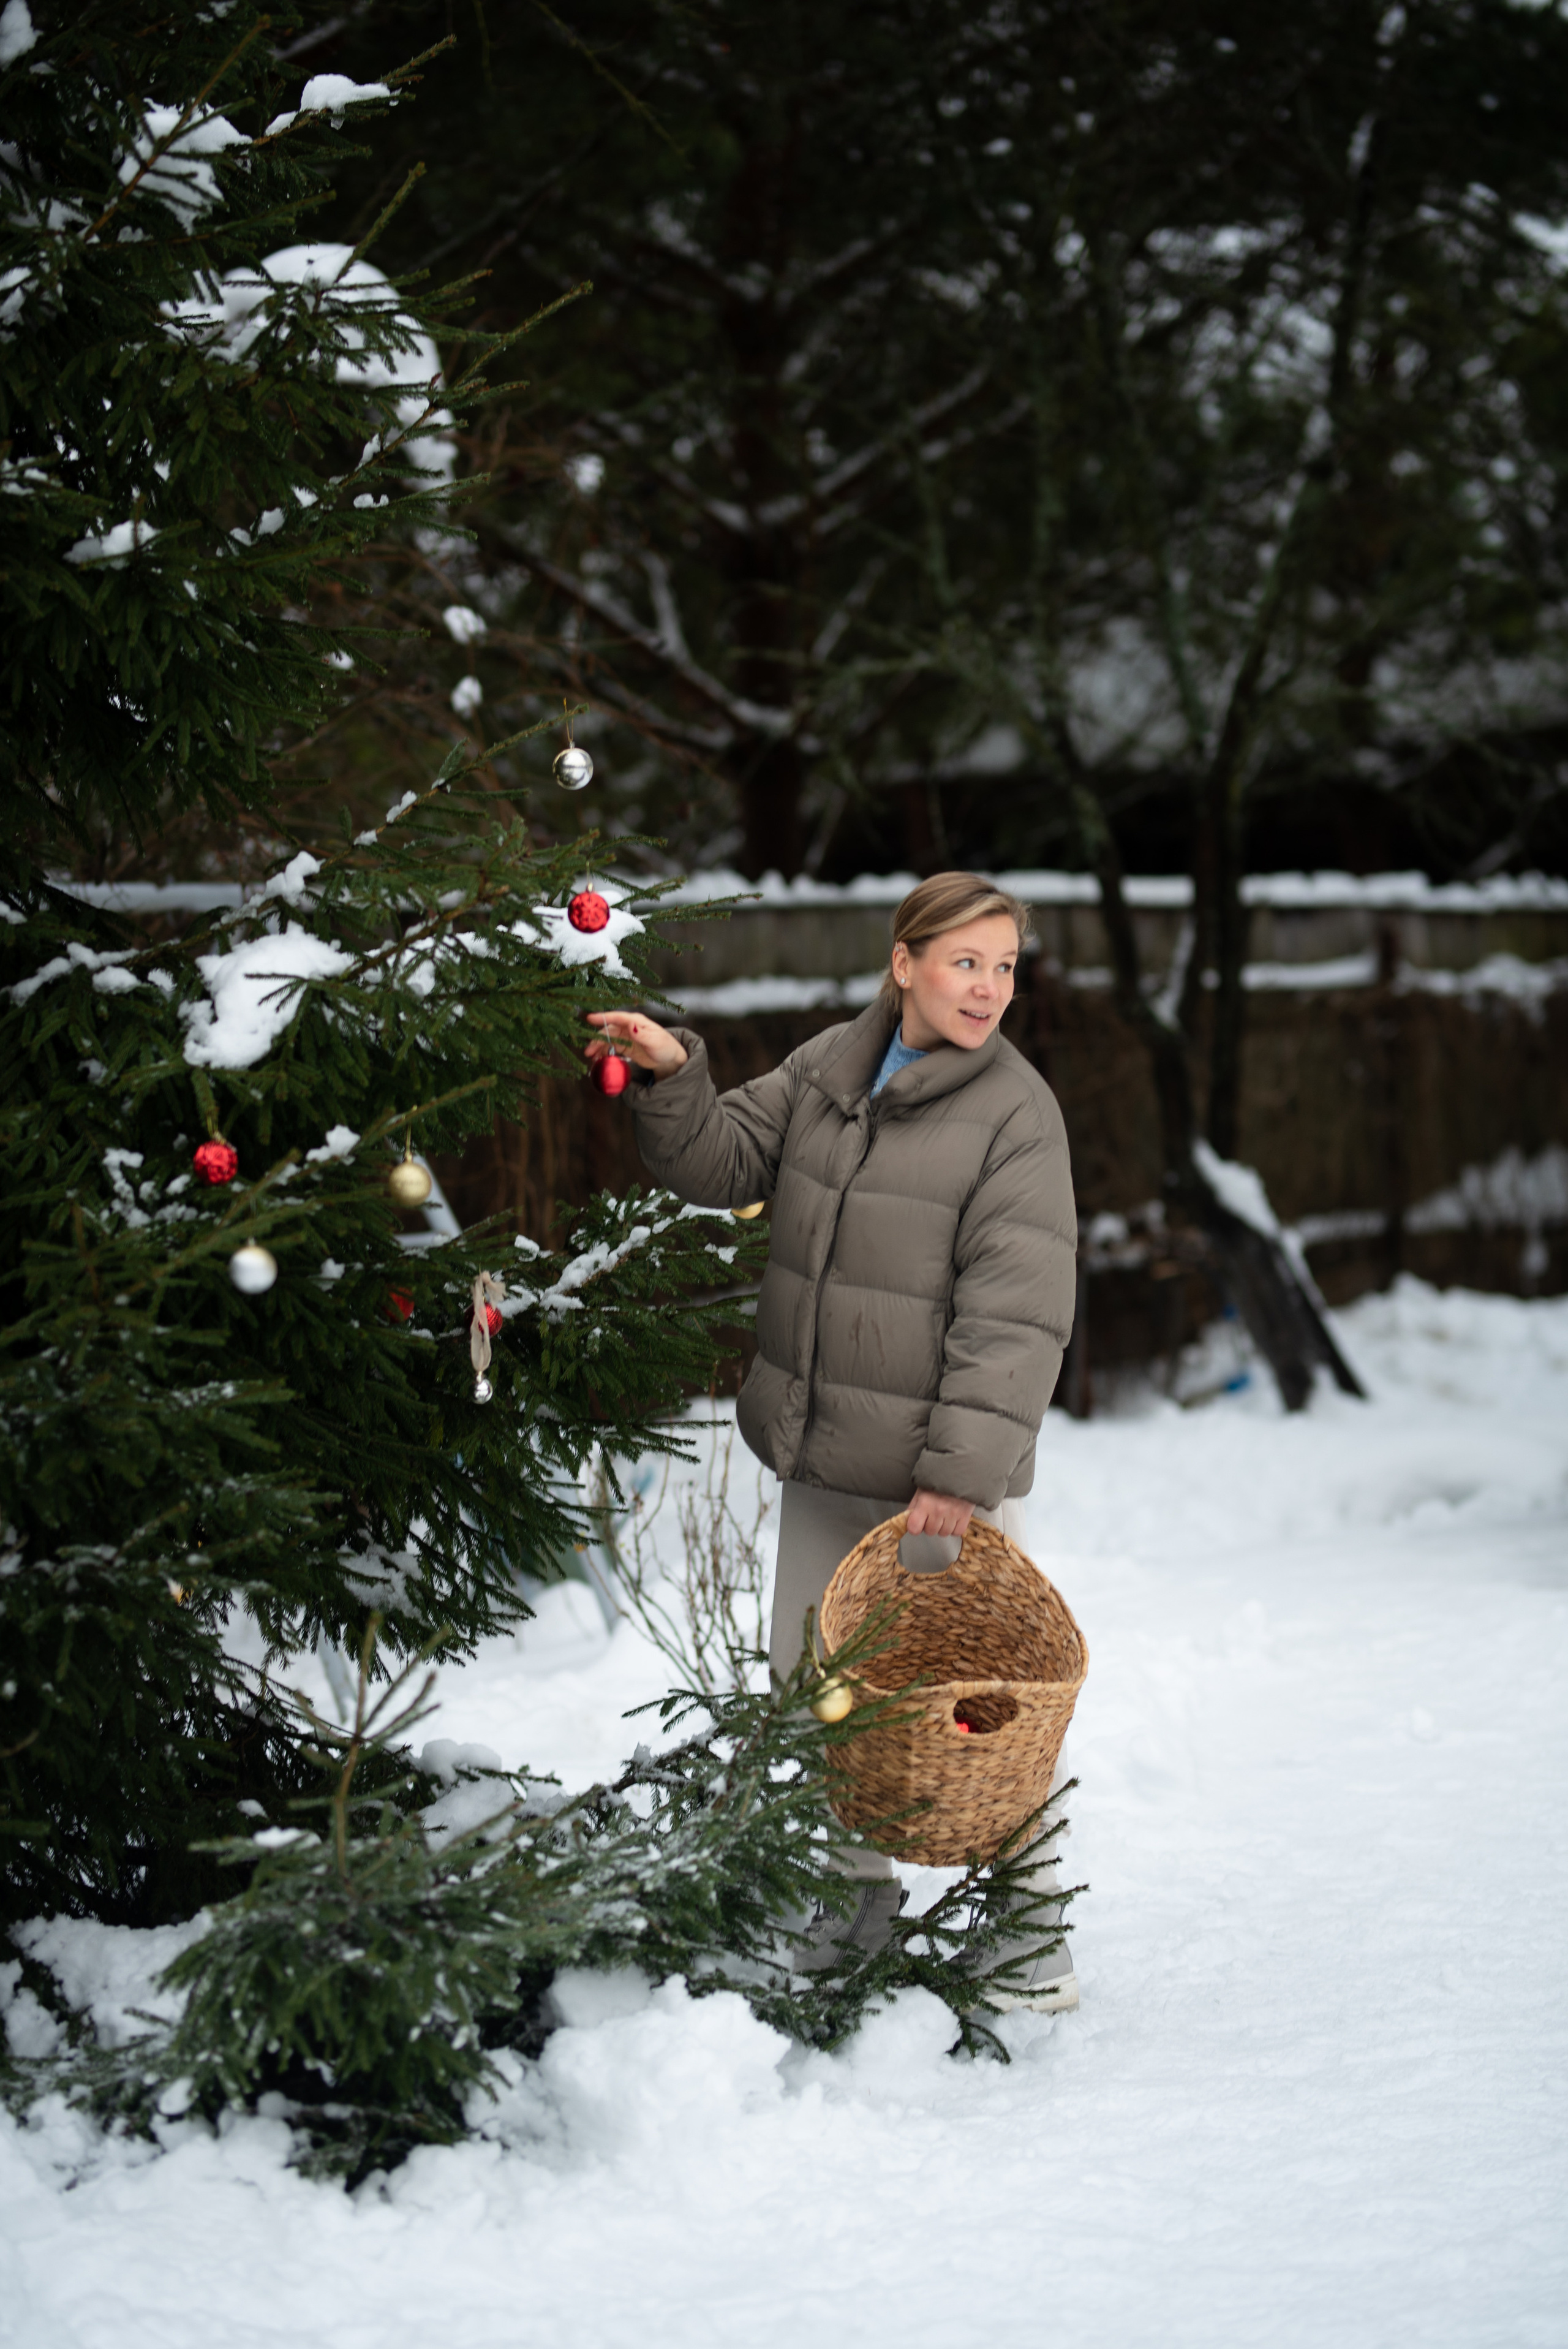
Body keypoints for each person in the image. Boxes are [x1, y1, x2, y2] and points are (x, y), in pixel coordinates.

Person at [587, 871, 1079, 2008]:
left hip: (930, 1483)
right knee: (816, 1686)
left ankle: (1033, 1928)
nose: (989, 988)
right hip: (823, 1452)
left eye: (1006, 966)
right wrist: (672, 1075)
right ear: (903, 962)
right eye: (967, 961)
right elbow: (722, 1163)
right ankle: (849, 1903)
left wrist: (957, 1478)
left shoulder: (1017, 1114)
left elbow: (1017, 1309)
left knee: (971, 1703)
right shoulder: (831, 1066)